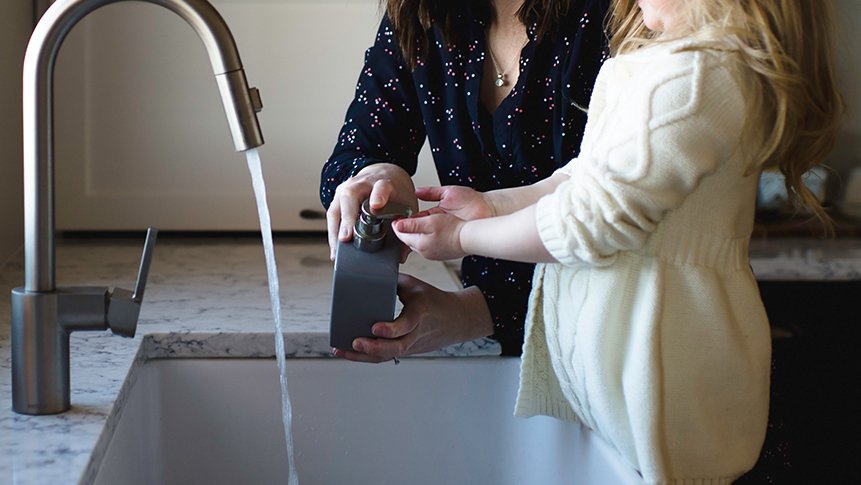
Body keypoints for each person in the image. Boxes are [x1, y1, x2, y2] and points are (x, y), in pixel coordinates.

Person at [392, 0, 844, 482]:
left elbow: (592, 220)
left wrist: (465, 236)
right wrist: (493, 206)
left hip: (670, 384)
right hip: (624, 392)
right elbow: (583, 179)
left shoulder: (699, 79)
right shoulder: (663, 66)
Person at [320, 0, 612, 361]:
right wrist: (375, 174)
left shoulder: (628, 13)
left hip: (617, 338)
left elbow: (631, 211)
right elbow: (357, 151)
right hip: (519, 347)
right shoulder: (424, 11)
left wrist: (475, 312)